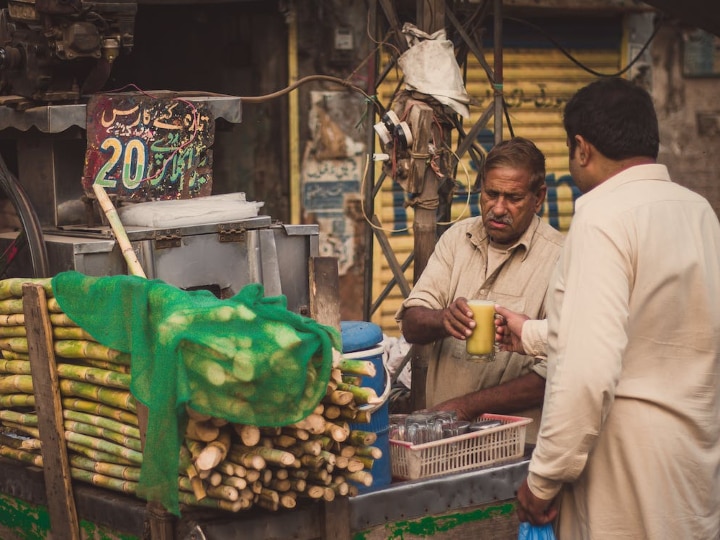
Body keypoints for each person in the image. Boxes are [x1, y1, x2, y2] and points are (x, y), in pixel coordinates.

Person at [511, 77, 720, 539]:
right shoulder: (698, 210)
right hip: (695, 460)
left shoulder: (601, 216)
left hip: (628, 466)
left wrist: (543, 479)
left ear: (582, 149)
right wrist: (530, 333)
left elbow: (587, 370)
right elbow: (659, 327)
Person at [395, 136, 564, 440]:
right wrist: (443, 319)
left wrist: (467, 407)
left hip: (514, 448)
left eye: (513, 198)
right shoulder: (457, 238)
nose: (498, 208)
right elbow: (411, 324)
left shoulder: (561, 258)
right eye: (490, 194)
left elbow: (556, 371)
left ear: (538, 198)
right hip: (444, 439)